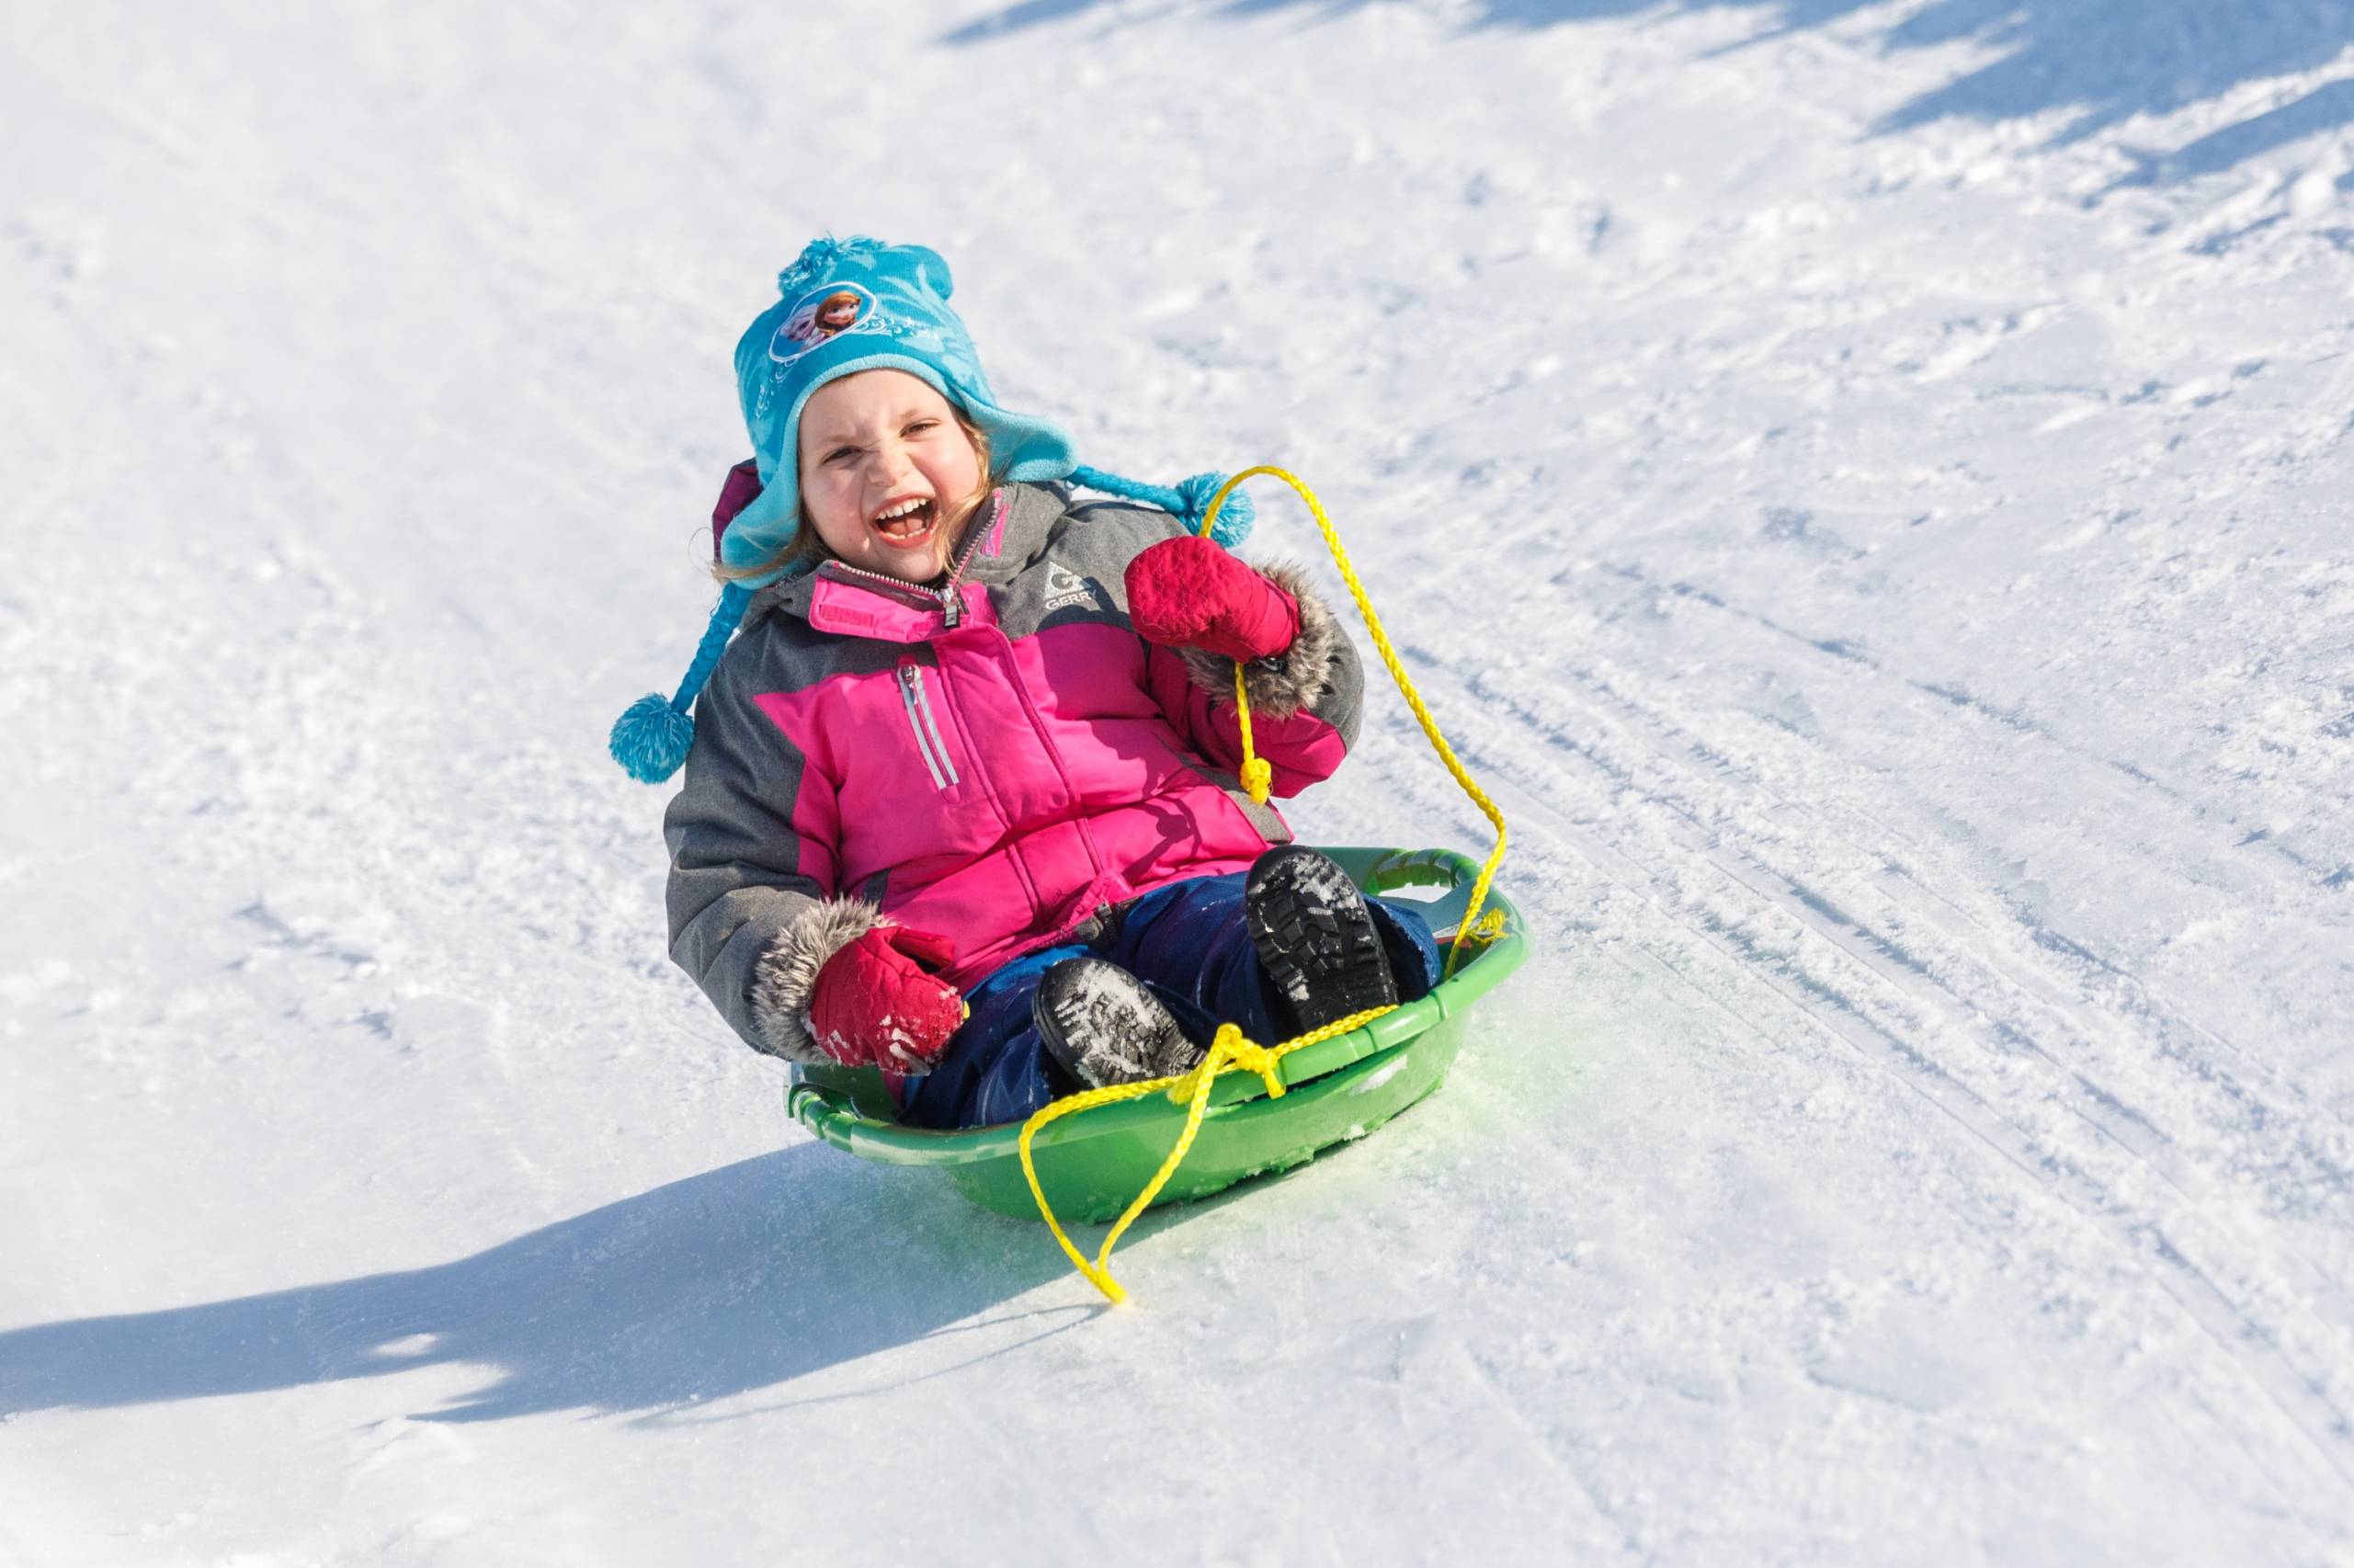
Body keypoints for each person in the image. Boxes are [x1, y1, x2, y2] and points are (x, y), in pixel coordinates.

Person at [616, 236, 1440, 1130]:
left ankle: (1320, 980)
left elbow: (1288, 750)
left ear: (977, 437)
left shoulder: (1103, 554)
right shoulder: (775, 679)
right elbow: (728, 875)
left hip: (1184, 876)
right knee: (1018, 1031)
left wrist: (1264, 645)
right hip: (975, 966)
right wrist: (827, 976)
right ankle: (1092, 1077)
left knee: (1241, 928)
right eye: (839, 455)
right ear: (795, 498)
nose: (888, 469)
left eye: (917, 427)